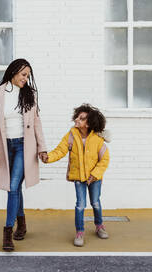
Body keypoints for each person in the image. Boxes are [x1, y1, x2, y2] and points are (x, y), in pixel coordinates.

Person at [0, 58, 47, 252]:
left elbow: (36, 122)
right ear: (14, 72)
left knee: (13, 187)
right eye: (23, 75)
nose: (25, 79)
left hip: (23, 146)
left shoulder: (29, 95)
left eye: (28, 76)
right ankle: (22, 224)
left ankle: (7, 232)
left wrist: (42, 148)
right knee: (13, 188)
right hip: (4, 148)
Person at [41, 104, 110, 247]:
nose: (77, 120)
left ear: (89, 122)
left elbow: (104, 160)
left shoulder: (98, 139)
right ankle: (79, 232)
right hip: (78, 177)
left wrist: (95, 174)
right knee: (80, 205)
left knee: (95, 202)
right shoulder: (71, 135)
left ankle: (99, 225)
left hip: (94, 178)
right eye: (77, 117)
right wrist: (48, 157)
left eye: (82, 118)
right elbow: (60, 150)